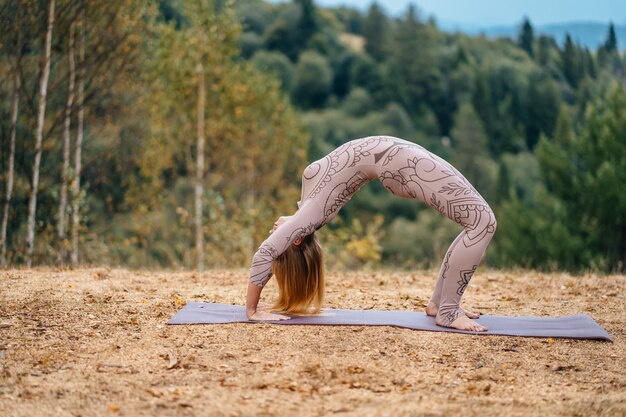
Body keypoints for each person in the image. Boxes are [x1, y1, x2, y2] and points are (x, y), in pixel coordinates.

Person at [246, 136, 496, 332]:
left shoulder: (306, 204)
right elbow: (266, 253)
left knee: (479, 222)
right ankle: (449, 311)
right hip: (402, 163)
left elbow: (271, 249)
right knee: (482, 222)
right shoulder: (309, 215)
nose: (272, 233)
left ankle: (440, 304)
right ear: (296, 239)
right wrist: (252, 310)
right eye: (278, 236)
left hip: (400, 154)